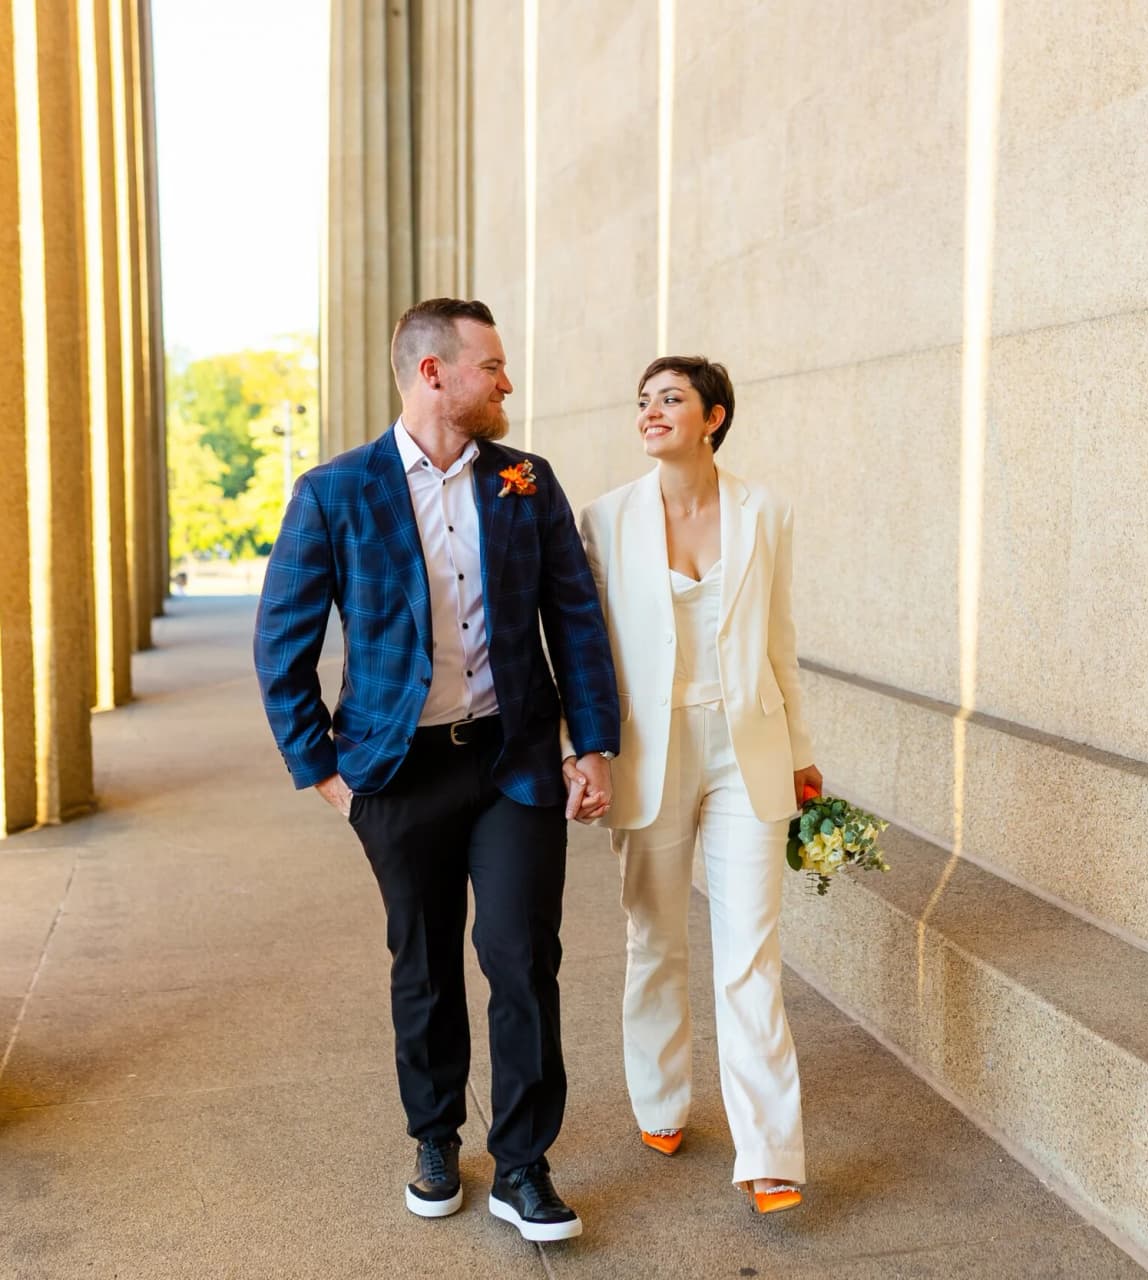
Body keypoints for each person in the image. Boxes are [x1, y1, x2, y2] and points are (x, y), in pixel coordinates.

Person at [254, 298, 620, 1241]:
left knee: (522, 959)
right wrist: (325, 775)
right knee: (422, 963)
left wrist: (595, 744)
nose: (506, 382)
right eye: (491, 365)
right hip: (397, 771)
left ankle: (525, 1166)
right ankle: (433, 1136)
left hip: (513, 763)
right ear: (432, 374)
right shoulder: (335, 492)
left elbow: (573, 622)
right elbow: (282, 648)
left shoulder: (526, 482)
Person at [573, 355, 820, 1214]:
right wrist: (586, 749)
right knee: (656, 936)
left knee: (750, 948)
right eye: (641, 400)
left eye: (670, 399)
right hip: (652, 745)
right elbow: (586, 651)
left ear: (713, 417)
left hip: (744, 746)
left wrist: (799, 750)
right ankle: (662, 1098)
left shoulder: (767, 512)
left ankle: (769, 1150)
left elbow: (780, 641)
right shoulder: (604, 520)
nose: (651, 412)